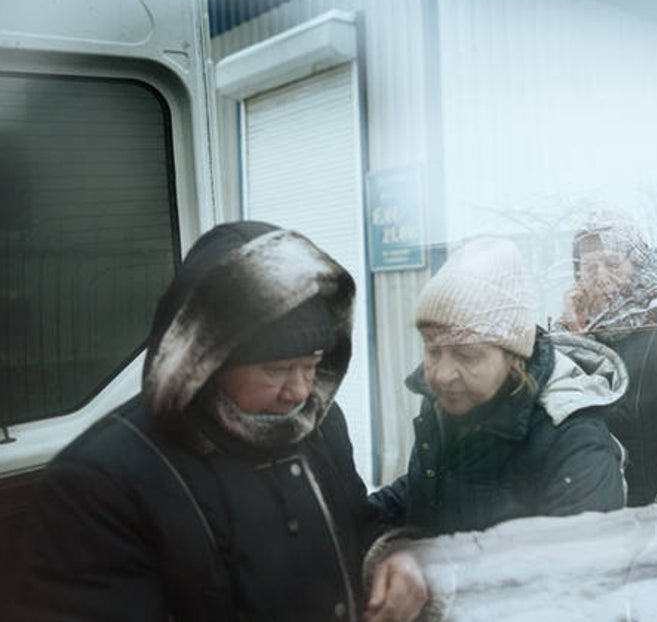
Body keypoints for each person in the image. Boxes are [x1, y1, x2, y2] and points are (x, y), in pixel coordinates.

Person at [11, 221, 387, 621]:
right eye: (276, 369)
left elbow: (354, 527)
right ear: (204, 361)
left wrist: (391, 559)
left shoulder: (319, 425)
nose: (298, 392)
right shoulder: (99, 482)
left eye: (312, 365)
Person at [364, 237, 628, 620]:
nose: (441, 373)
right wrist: (394, 549)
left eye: (467, 355)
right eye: (432, 350)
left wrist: (438, 578)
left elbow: (582, 591)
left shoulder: (573, 438)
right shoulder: (450, 407)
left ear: (513, 357)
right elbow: (422, 491)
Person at [559, 212, 657, 506]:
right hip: (609, 513)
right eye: (589, 267)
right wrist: (577, 335)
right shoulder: (575, 332)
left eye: (611, 264)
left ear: (638, 266)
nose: (600, 277)